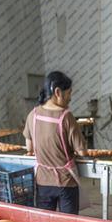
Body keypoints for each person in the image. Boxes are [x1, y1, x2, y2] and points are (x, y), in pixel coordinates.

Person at [23, 71, 88, 214]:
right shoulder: (66, 117)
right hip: (65, 182)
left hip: (43, 182)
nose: (70, 98)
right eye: (69, 93)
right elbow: (82, 152)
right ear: (58, 92)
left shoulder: (32, 115)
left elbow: (29, 148)